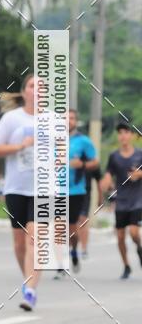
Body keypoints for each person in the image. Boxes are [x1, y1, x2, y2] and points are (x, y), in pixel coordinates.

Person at [0, 74, 41, 311]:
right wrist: (20, 146)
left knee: (34, 237)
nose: (37, 89)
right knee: (20, 242)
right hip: (16, 188)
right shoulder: (11, 119)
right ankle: (28, 278)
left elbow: (62, 153)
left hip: (43, 189)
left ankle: (30, 291)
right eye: (33, 85)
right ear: (24, 91)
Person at [100, 122, 142, 279]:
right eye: (120, 133)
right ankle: (126, 266)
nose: (123, 136)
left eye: (126, 132)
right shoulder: (114, 156)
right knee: (119, 236)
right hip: (121, 201)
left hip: (137, 200)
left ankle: (139, 247)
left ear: (131, 135)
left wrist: (139, 175)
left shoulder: (140, 154)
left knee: (134, 232)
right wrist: (106, 182)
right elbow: (108, 174)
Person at [66, 109, 99, 272]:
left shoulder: (84, 141)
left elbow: (95, 163)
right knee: (58, 225)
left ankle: (74, 251)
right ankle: (59, 263)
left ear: (75, 121)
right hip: (55, 190)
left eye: (71, 118)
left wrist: (83, 165)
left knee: (72, 227)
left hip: (76, 190)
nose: (68, 121)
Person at [78, 162, 103, 258]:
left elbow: (98, 180)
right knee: (70, 222)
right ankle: (73, 247)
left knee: (83, 220)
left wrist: (100, 198)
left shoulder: (91, 159)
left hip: (84, 194)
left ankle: (84, 249)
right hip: (68, 193)